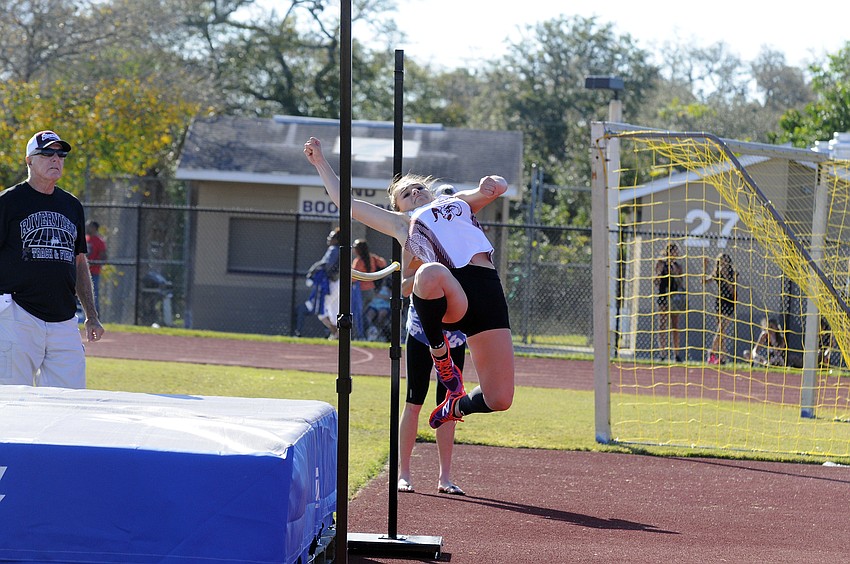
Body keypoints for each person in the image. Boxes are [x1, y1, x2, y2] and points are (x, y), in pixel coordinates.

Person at [304, 136, 514, 430]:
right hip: (452, 292)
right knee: (428, 273)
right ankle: (441, 357)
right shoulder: (403, 223)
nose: (415, 192)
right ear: (397, 206)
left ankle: (456, 404)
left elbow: (490, 190)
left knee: (500, 398)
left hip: (488, 291)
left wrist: (494, 183)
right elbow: (345, 202)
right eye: (406, 193)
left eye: (419, 188)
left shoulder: (455, 202)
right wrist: (320, 162)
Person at [0, 130, 104, 388]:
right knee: (12, 400)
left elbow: (79, 262)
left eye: (61, 154)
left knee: (70, 401)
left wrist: (91, 314)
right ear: (29, 160)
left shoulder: (71, 205)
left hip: (65, 319)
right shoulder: (8, 202)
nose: (55, 158)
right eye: (46, 153)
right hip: (17, 314)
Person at [398, 302, 467, 495]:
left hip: (454, 336)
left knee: (449, 406)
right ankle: (404, 474)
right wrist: (421, 273)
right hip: (421, 332)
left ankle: (445, 478)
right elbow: (404, 288)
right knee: (413, 403)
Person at [295, 227, 341, 339]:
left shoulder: (334, 249)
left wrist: (312, 272)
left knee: (322, 309)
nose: (328, 239)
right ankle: (337, 334)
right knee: (333, 309)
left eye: (331, 237)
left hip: (332, 283)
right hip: (339, 282)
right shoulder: (340, 249)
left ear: (336, 239)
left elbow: (326, 264)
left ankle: (336, 333)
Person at [703, 253, 737, 365]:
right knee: (721, 331)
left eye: (725, 261)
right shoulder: (716, 273)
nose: (724, 263)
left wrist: (726, 277)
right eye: (721, 261)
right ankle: (722, 357)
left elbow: (733, 291)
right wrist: (705, 266)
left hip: (729, 302)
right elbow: (703, 281)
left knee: (721, 329)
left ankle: (712, 352)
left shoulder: (733, 274)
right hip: (720, 302)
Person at [654, 242, 686, 362]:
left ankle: (676, 354)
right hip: (663, 295)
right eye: (674, 251)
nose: (675, 254)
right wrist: (660, 273)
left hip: (674, 297)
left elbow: (681, 283)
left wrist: (675, 274)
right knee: (662, 324)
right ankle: (662, 353)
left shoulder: (677, 266)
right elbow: (655, 281)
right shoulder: (661, 263)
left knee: (675, 325)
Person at [352, 238, 387, 339]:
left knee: (358, 315)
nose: (354, 249)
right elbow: (383, 263)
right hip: (371, 291)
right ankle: (367, 333)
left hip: (361, 292)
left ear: (359, 249)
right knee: (365, 314)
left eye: (355, 248)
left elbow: (353, 278)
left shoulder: (358, 261)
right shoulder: (373, 258)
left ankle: (359, 335)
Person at [85, 220, 107, 314]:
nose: (87, 228)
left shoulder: (99, 241)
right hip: (83, 272)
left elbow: (103, 257)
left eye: (89, 226)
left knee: (94, 294)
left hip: (94, 272)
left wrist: (93, 263)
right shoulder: (85, 239)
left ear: (94, 228)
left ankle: (96, 316)